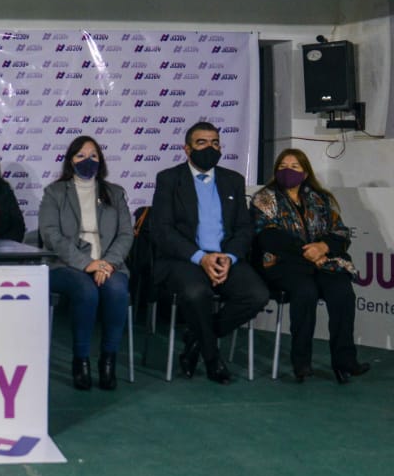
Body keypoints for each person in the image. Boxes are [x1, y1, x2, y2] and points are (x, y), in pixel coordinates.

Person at [149, 122, 268, 384]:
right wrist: (201, 258)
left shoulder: (233, 180)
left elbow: (244, 228)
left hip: (225, 258)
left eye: (215, 143)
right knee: (196, 294)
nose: (210, 148)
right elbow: (162, 230)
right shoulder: (169, 179)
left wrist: (229, 258)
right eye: (201, 142)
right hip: (185, 259)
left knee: (257, 295)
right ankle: (212, 358)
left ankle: (197, 339)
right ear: (187, 149)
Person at [251, 149, 369, 383]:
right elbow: (267, 236)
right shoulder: (264, 198)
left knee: (342, 293)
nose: (288, 170)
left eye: (295, 167)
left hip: (324, 262)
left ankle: (345, 362)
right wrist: (309, 253)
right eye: (283, 166)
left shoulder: (320, 199)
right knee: (305, 292)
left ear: (305, 173)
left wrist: (323, 247)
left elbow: (340, 232)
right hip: (285, 265)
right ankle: (301, 363)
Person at [39, 136, 134, 390]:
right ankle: (80, 360)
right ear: (70, 161)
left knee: (116, 290)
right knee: (86, 290)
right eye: (80, 155)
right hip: (66, 265)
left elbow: (126, 234)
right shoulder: (55, 192)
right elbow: (50, 234)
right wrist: (86, 264)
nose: (87, 160)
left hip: (109, 264)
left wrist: (108, 263)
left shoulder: (115, 193)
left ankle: (108, 360)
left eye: (93, 155)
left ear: (100, 160)